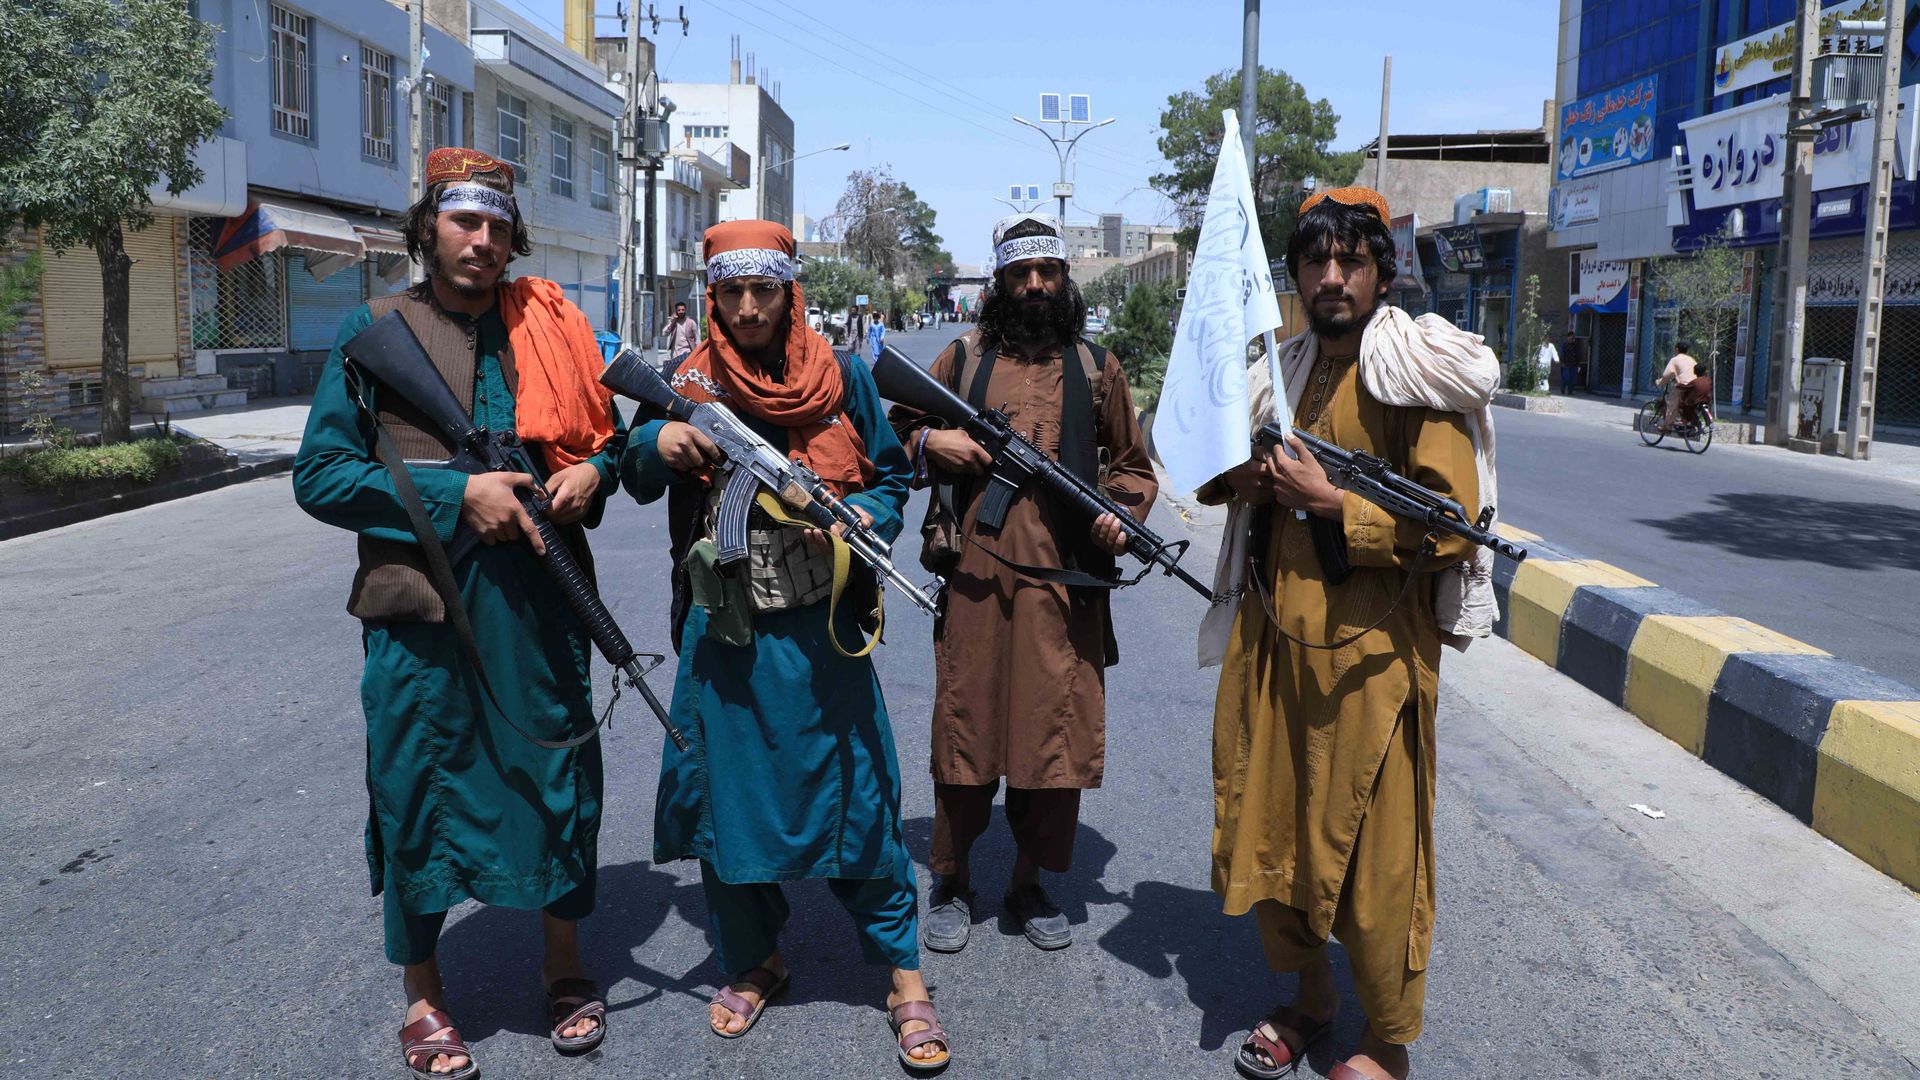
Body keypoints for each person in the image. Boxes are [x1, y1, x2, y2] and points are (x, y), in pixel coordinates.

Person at [293, 147, 623, 1080]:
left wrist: (594, 472)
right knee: (417, 792)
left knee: (556, 780)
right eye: (463, 221)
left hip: (539, 606)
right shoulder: (375, 330)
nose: (482, 241)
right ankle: (427, 997)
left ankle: (563, 971)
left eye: (497, 226)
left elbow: (609, 444)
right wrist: (455, 498)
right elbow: (320, 475)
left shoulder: (551, 330)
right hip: (423, 622)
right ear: (428, 229)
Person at [620, 220, 952, 1071]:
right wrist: (657, 439)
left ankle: (904, 974)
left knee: (861, 793)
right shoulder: (686, 379)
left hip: (824, 630)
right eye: (730, 292)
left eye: (763, 289)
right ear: (712, 297)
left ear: (790, 292)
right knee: (729, 804)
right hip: (725, 633)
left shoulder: (839, 377)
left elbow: (888, 476)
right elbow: (634, 469)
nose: (748, 307)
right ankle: (755, 959)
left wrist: (854, 529)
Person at [1197, 187, 1489, 1080]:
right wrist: (1242, 480)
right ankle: (1312, 999)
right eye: (1316, 262)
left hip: (1374, 665)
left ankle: (1388, 1043)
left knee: (1375, 861)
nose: (1332, 278)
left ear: (1380, 272)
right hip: (1273, 645)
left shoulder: (1409, 376)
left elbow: (1453, 526)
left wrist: (1337, 506)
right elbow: (1212, 465)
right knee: (1272, 830)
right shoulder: (1282, 367)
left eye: (1350, 262)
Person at [889, 214, 1157, 953]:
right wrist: (928, 439)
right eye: (1019, 273)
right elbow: (892, 428)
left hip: (1064, 587)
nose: (1035, 285)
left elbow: (1134, 468)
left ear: (1065, 279)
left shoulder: (1097, 367)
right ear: (1000, 280)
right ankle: (952, 878)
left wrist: (1122, 518)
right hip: (975, 578)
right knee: (965, 727)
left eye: (1048, 272)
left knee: (1053, 735)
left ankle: (1030, 880)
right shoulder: (965, 358)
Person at [1657, 340, 1700, 432]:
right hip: (1695, 386)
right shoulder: (1692, 360)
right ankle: (1684, 420)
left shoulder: (1675, 359)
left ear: (1676, 349)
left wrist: (1660, 383)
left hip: (1684, 386)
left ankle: (1667, 427)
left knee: (1671, 403)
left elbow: (1666, 375)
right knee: (1685, 403)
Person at [662, 300, 701, 365]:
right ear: (676, 311)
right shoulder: (674, 323)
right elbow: (664, 333)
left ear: (685, 310)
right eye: (679, 310)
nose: (681, 312)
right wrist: (672, 322)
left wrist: (698, 352)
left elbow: (697, 338)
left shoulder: (691, 322)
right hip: (675, 355)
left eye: (683, 310)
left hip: (688, 353)